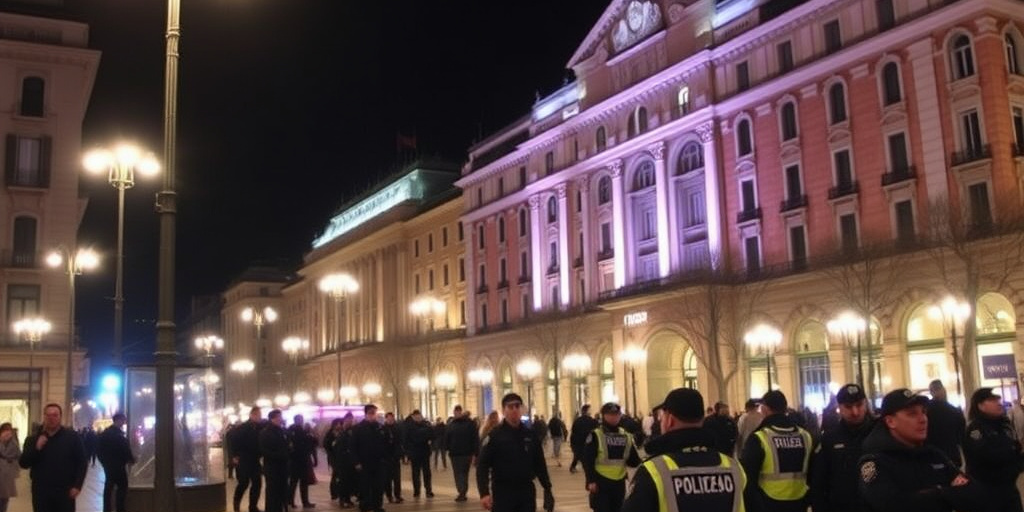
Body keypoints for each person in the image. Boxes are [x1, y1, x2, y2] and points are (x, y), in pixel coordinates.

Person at [859, 388, 989, 512]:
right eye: (912, 414)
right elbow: (893, 505)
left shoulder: (933, 455)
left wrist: (933, 494)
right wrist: (946, 493)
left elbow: (975, 494)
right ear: (890, 421)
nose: (923, 419)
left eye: (923, 412)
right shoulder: (877, 462)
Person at [622, 388, 746, 512]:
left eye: (662, 415)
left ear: (669, 420)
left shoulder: (655, 471)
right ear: (702, 419)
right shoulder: (734, 467)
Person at [477, 393, 554, 512]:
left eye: (517, 406)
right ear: (504, 410)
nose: (514, 410)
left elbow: (539, 463)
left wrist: (547, 488)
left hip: (526, 491)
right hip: (503, 492)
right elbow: (482, 465)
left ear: (522, 409)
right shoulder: (494, 436)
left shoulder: (530, 435)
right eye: (510, 407)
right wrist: (484, 493)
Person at [740, 390, 812, 512]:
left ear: (765, 409)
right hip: (800, 501)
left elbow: (748, 479)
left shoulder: (760, 438)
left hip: (768, 502)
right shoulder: (805, 436)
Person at [808, 383, 875, 512]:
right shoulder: (829, 439)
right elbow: (818, 482)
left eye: (859, 405)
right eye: (848, 407)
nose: (855, 412)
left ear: (865, 404)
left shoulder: (879, 433)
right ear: (839, 407)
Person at [963, 387, 1024, 512]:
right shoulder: (976, 429)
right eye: (992, 400)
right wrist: (1012, 455)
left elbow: (1015, 449)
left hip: (1009, 490)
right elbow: (987, 456)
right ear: (980, 406)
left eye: (998, 399)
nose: (998, 403)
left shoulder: (1004, 426)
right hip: (988, 494)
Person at [18, 403, 88, 512]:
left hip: (65, 491)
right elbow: (23, 463)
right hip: (41, 491)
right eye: (48, 415)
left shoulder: (72, 437)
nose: (51, 418)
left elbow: (82, 462)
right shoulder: (32, 439)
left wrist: (77, 486)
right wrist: (36, 448)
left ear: (60, 417)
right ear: (44, 417)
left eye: (55, 415)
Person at [581, 402, 640, 512]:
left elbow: (633, 461)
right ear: (603, 416)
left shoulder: (626, 435)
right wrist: (591, 480)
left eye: (616, 414)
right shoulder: (595, 435)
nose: (614, 417)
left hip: (619, 481)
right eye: (610, 415)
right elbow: (588, 460)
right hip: (600, 482)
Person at [351, 404, 388, 512]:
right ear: (366, 414)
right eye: (371, 413)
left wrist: (385, 458)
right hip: (364, 462)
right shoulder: (358, 429)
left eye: (375, 413)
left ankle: (377, 506)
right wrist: (356, 462)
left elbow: (385, 444)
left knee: (378, 486)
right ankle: (365, 505)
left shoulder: (380, 427)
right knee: (365, 486)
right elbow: (353, 447)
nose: (373, 415)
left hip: (379, 462)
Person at [97, 412, 135, 512]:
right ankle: (120, 508)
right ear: (118, 420)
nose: (124, 422)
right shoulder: (119, 435)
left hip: (108, 466)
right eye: (123, 420)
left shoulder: (105, 434)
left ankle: (107, 509)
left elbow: (99, 450)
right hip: (119, 466)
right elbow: (125, 450)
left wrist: (104, 463)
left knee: (108, 488)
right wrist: (131, 459)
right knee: (122, 487)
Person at [229, 407, 264, 512]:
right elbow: (233, 441)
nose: (260, 417)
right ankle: (236, 505)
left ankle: (253, 507)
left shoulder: (259, 428)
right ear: (252, 415)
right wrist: (234, 456)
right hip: (243, 460)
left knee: (257, 483)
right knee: (243, 483)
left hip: (255, 460)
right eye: (258, 415)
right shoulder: (242, 428)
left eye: (260, 415)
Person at [926, 379, 966, 468]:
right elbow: (961, 437)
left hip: (931, 456)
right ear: (944, 390)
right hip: (951, 456)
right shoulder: (954, 411)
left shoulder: (925, 411)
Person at [445, 405, 479, 502]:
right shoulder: (470, 424)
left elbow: (447, 438)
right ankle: (463, 491)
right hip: (465, 453)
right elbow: (475, 439)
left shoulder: (452, 425)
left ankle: (462, 491)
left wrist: (447, 448)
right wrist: (475, 452)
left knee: (459, 473)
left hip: (456, 453)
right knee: (464, 473)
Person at [260, 409, 290, 512]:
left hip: (282, 467)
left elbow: (286, 445)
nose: (281, 419)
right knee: (273, 492)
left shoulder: (281, 430)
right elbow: (264, 450)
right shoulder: (266, 432)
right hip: (272, 468)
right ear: (273, 418)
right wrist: (279, 455)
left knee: (282, 490)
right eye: (279, 417)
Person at [287, 414, 317, 509]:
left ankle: (294, 501)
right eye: (300, 420)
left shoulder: (291, 430)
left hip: (296, 460)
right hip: (299, 460)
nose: (301, 421)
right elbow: (311, 442)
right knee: (297, 482)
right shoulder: (300, 431)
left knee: (296, 482)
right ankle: (299, 501)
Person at [404, 410, 434, 499]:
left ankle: (428, 490)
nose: (418, 417)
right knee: (415, 473)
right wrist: (407, 453)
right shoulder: (409, 426)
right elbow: (407, 440)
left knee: (427, 473)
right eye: (416, 416)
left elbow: (432, 435)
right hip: (415, 453)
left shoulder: (426, 425)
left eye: (419, 416)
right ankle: (417, 490)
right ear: (413, 417)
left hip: (424, 452)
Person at [331, 413, 358, 508]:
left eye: (351, 419)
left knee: (349, 481)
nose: (350, 421)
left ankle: (347, 499)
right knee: (343, 481)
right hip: (341, 461)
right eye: (349, 419)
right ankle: (342, 500)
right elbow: (335, 447)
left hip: (349, 461)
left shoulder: (352, 430)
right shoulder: (340, 431)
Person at [379, 412, 404, 505]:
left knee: (397, 478)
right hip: (386, 458)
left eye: (392, 419)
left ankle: (398, 495)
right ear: (386, 419)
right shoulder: (382, 429)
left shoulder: (397, 428)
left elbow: (400, 441)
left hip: (396, 457)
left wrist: (401, 453)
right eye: (389, 419)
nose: (390, 420)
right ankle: (389, 495)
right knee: (387, 479)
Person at [569, 405, 598, 474]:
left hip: (578, 443)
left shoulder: (577, 421)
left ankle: (573, 467)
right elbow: (596, 432)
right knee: (586, 458)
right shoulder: (592, 421)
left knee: (578, 456)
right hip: (588, 443)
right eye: (590, 410)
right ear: (587, 411)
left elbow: (573, 432)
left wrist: (572, 444)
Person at [0, 422, 21, 512]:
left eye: (9, 430)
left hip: (7, 475)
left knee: (4, 499)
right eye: (5, 430)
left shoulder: (13, 442)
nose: (7, 433)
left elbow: (18, 454)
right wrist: (2, 441)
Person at [323, 418, 343, 503]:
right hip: (333, 457)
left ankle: (338, 492)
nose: (339, 426)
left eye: (340, 424)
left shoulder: (341, 433)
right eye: (337, 424)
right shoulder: (330, 434)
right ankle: (334, 493)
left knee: (338, 475)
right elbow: (326, 445)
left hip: (340, 457)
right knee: (335, 474)